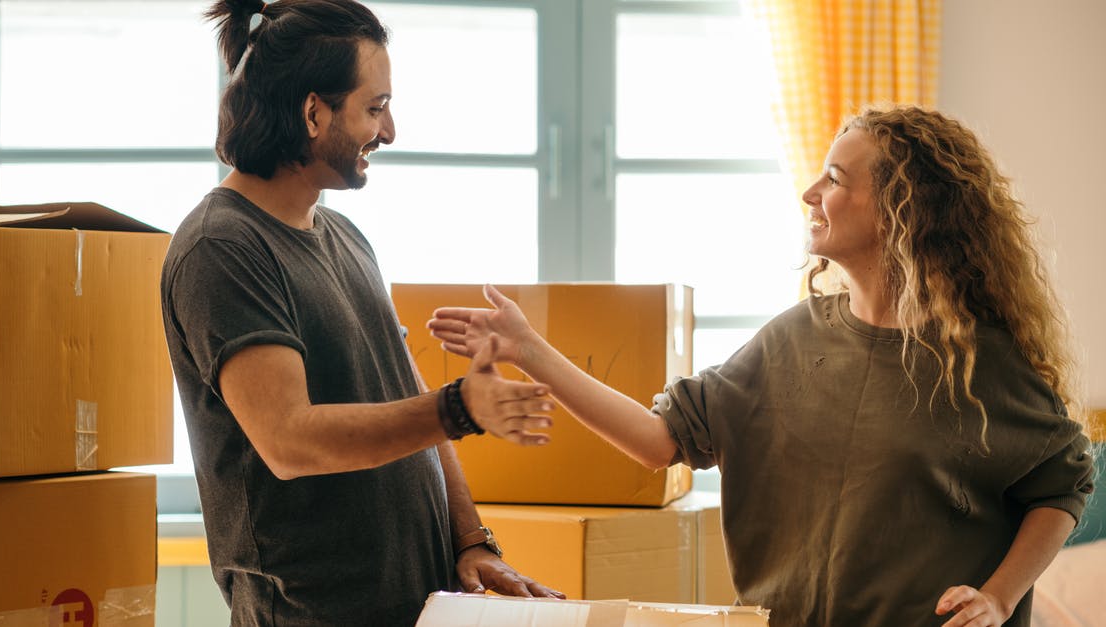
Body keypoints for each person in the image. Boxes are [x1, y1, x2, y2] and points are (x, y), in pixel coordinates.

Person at [428, 106, 1096, 627]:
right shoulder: (787, 343)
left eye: (834, 178)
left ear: (902, 210)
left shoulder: (977, 364)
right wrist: (528, 348)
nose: (810, 191)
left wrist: (999, 598)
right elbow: (657, 441)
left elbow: (1062, 483)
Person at [160, 0, 562, 624]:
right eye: (375, 108)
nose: (391, 130)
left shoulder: (344, 235)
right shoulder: (222, 247)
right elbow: (289, 439)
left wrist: (469, 539)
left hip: (412, 603)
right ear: (313, 112)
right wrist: (458, 408)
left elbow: (408, 394)